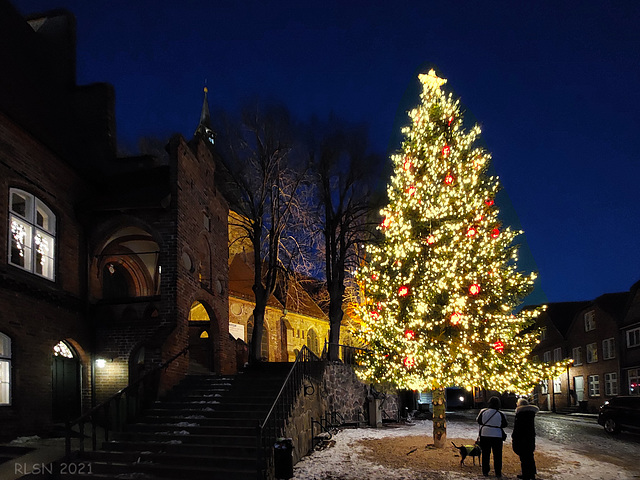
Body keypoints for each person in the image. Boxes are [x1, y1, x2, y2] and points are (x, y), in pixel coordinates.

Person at [476, 396, 508, 478]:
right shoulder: (500, 414)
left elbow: (479, 421)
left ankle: (485, 471)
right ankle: (498, 472)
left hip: (485, 434)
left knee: (486, 454)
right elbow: (504, 425)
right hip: (497, 435)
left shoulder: (483, 411)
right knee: (497, 455)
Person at [511, 398, 539, 480]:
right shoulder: (530, 414)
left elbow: (518, 428)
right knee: (530, 456)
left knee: (524, 457)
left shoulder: (521, 414)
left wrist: (514, 437)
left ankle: (526, 474)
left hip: (522, 438)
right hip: (530, 437)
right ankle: (532, 473)